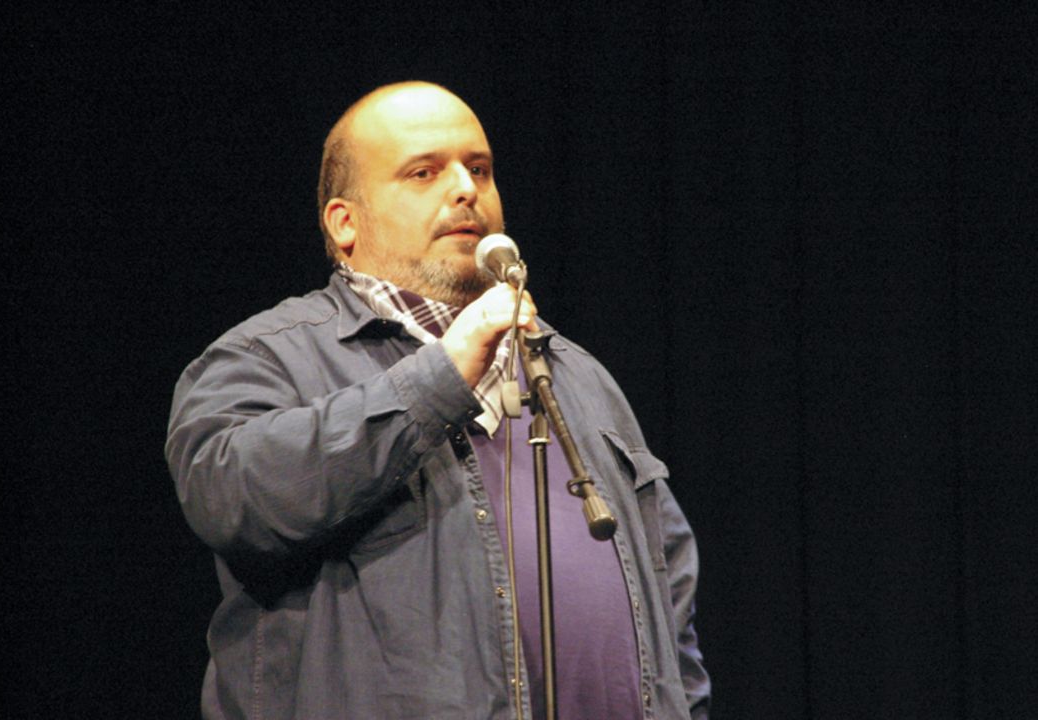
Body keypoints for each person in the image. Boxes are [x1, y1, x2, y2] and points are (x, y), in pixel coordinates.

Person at [166, 81, 710, 720]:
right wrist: (441, 377)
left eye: (478, 169)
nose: (464, 189)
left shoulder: (577, 373)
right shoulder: (266, 356)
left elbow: (669, 584)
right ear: (345, 222)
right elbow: (229, 495)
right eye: (423, 172)